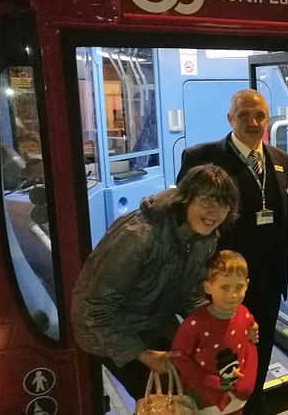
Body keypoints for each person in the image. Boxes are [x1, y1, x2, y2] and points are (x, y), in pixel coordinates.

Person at [71, 164, 240, 400]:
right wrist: (145, 354)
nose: (214, 212)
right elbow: (96, 310)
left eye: (223, 205)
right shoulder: (140, 236)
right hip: (105, 327)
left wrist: (228, 322)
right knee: (161, 397)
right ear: (185, 199)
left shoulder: (207, 236)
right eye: (205, 201)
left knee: (197, 377)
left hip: (153, 319)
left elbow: (191, 293)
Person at [176, 88, 288, 414]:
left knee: (257, 355)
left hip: (266, 283)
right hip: (222, 286)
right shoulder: (202, 158)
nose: (253, 122)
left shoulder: (280, 160)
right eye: (244, 115)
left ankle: (254, 407)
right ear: (230, 118)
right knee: (218, 363)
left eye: (260, 116)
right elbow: (186, 219)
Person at [172, 250, 257, 415]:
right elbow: (179, 356)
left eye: (238, 287)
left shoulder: (245, 314)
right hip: (204, 403)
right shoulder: (194, 325)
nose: (232, 295)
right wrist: (211, 384)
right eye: (224, 287)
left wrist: (248, 381)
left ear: (246, 285)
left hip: (236, 402)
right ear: (208, 287)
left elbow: (250, 345)